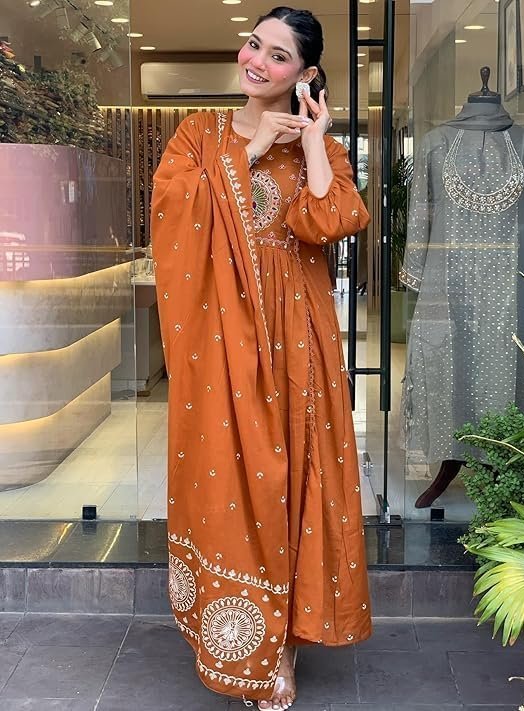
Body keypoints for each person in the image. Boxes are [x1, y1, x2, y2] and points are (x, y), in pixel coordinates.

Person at [151, 7, 372, 709]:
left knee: (296, 474)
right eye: (254, 44)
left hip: (297, 335)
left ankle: (283, 644)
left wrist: (313, 139)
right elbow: (171, 213)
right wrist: (244, 155)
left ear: (305, 74)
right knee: (233, 477)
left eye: (278, 56)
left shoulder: (319, 149)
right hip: (222, 338)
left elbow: (330, 221)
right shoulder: (199, 134)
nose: (257, 61)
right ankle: (239, 635)